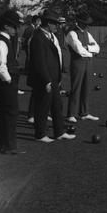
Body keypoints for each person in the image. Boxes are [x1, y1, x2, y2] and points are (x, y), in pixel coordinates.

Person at [28, 9, 75, 143]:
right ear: (48, 23)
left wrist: (58, 77)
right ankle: (40, 134)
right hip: (44, 79)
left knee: (57, 105)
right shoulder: (38, 37)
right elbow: (39, 62)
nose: (58, 26)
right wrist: (47, 80)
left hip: (54, 77)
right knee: (42, 107)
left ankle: (59, 132)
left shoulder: (50, 36)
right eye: (55, 23)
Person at [0, 9, 26, 155]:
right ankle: (9, 146)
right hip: (6, 83)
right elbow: (1, 68)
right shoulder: (1, 43)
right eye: (14, 26)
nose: (16, 29)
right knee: (11, 113)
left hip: (8, 83)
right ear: (6, 26)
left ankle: (2, 144)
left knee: (6, 113)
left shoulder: (6, 41)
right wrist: (10, 81)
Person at [65, 11, 100, 123]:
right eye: (85, 23)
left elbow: (98, 48)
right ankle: (71, 114)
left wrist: (89, 48)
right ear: (79, 22)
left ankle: (84, 113)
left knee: (86, 87)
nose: (87, 25)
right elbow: (79, 50)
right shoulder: (72, 33)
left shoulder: (87, 33)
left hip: (88, 63)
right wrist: (91, 51)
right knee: (76, 88)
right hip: (77, 63)